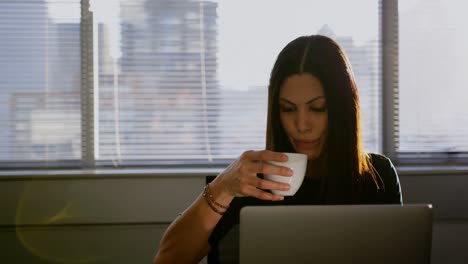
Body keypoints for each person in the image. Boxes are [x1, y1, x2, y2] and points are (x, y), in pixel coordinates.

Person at [153, 35, 402, 264]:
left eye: (317, 108)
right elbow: (167, 260)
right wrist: (221, 188)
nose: (301, 125)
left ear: (342, 110)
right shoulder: (253, 178)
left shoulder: (377, 176)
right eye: (288, 108)